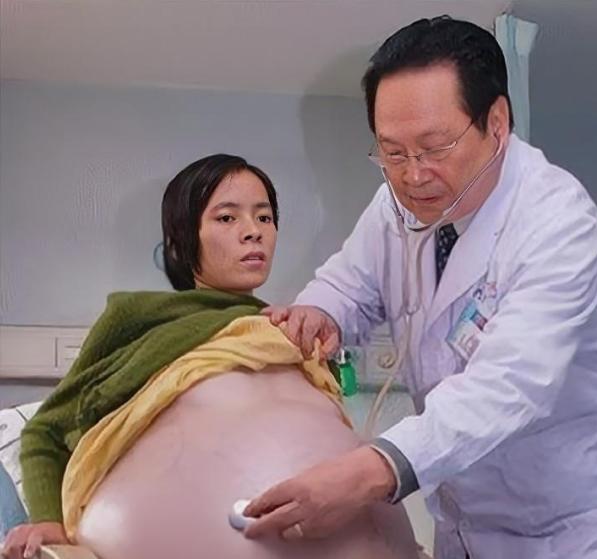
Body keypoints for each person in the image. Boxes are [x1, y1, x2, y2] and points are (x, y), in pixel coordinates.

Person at [243, 16, 597, 559]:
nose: (413, 176)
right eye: (392, 152)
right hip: (465, 521)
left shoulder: (558, 221)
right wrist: (321, 312)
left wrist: (373, 469)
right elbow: (349, 281)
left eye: (435, 147)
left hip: (577, 526)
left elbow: (511, 384)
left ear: (497, 123)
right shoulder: (394, 207)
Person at [2, 154, 419, 559]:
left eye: (264, 217)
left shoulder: (293, 328)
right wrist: (48, 521)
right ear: (181, 241)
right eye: (227, 218)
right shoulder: (137, 316)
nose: (253, 232)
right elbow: (46, 431)